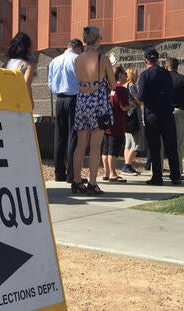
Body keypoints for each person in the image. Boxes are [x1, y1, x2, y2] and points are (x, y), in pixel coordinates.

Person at [71, 25, 116, 194]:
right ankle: (92, 183)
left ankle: (76, 181)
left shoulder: (77, 59)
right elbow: (112, 84)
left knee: (80, 144)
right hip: (97, 101)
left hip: (82, 100)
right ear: (98, 39)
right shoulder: (102, 59)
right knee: (95, 145)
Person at [137, 47, 181, 186]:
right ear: (157, 59)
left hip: (152, 115)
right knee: (171, 146)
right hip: (167, 113)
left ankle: (157, 177)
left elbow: (142, 96)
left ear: (145, 60)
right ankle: (175, 176)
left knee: (155, 148)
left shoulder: (145, 75)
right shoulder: (166, 73)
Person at [48, 38, 84, 183]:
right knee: (73, 136)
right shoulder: (78, 59)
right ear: (79, 48)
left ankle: (59, 173)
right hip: (74, 98)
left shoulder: (54, 61)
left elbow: (50, 83)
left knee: (59, 137)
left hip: (59, 99)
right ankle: (72, 175)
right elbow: (83, 80)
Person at [102, 66, 136, 182]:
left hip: (107, 122)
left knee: (105, 149)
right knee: (113, 151)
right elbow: (124, 107)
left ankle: (106, 172)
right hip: (117, 123)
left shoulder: (109, 88)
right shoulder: (120, 89)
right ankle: (112, 173)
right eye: (125, 73)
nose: (126, 76)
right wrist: (132, 105)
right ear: (120, 75)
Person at [165, 57, 184, 177]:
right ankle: (177, 171)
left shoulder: (162, 79)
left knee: (161, 142)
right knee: (178, 142)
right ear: (177, 67)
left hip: (164, 112)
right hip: (178, 111)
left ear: (166, 67)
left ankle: (158, 170)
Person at [121, 67, 144, 175]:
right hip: (134, 117)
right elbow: (138, 101)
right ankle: (127, 166)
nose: (137, 76)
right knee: (136, 143)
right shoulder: (132, 86)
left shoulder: (123, 86)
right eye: (136, 74)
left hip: (127, 117)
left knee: (128, 143)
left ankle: (126, 165)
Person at [4, 32, 36, 109]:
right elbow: (26, 84)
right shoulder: (28, 65)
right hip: (20, 102)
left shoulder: (5, 65)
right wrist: (31, 101)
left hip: (6, 100)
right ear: (27, 47)